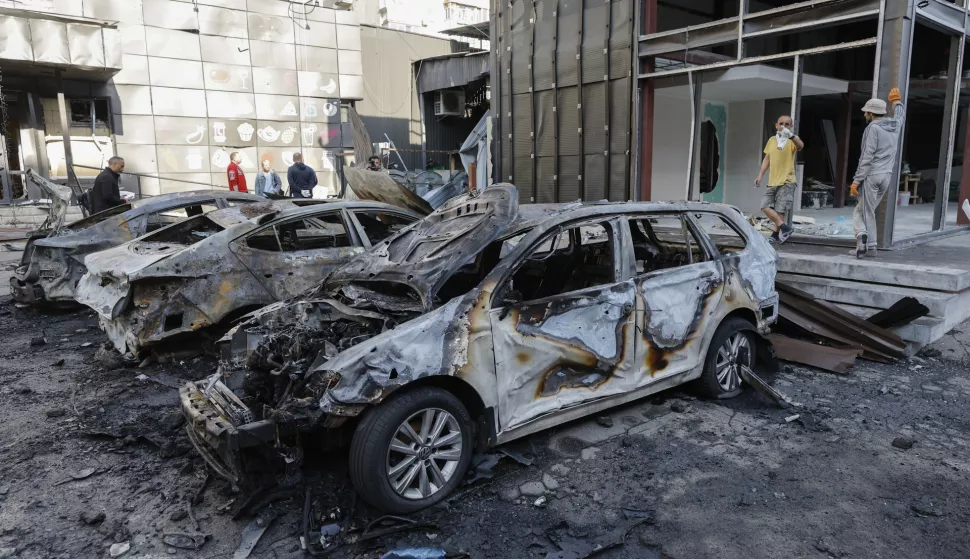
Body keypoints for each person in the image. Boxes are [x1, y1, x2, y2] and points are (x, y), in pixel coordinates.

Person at [849, 88, 904, 259]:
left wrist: (856, 181)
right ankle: (871, 248)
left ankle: (863, 238)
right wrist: (896, 102)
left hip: (872, 176)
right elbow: (901, 115)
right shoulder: (895, 125)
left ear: (870, 113)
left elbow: (866, 157)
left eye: (866, 111)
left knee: (862, 212)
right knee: (867, 210)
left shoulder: (872, 129)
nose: (864, 113)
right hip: (886, 176)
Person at [754, 115, 804, 244]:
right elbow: (767, 159)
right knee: (764, 205)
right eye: (781, 123)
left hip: (787, 180)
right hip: (773, 180)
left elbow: (801, 145)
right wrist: (760, 175)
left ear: (790, 126)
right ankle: (784, 228)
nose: (783, 126)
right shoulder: (772, 140)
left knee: (780, 209)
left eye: (787, 124)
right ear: (776, 125)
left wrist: (791, 136)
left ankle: (776, 234)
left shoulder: (792, 140)